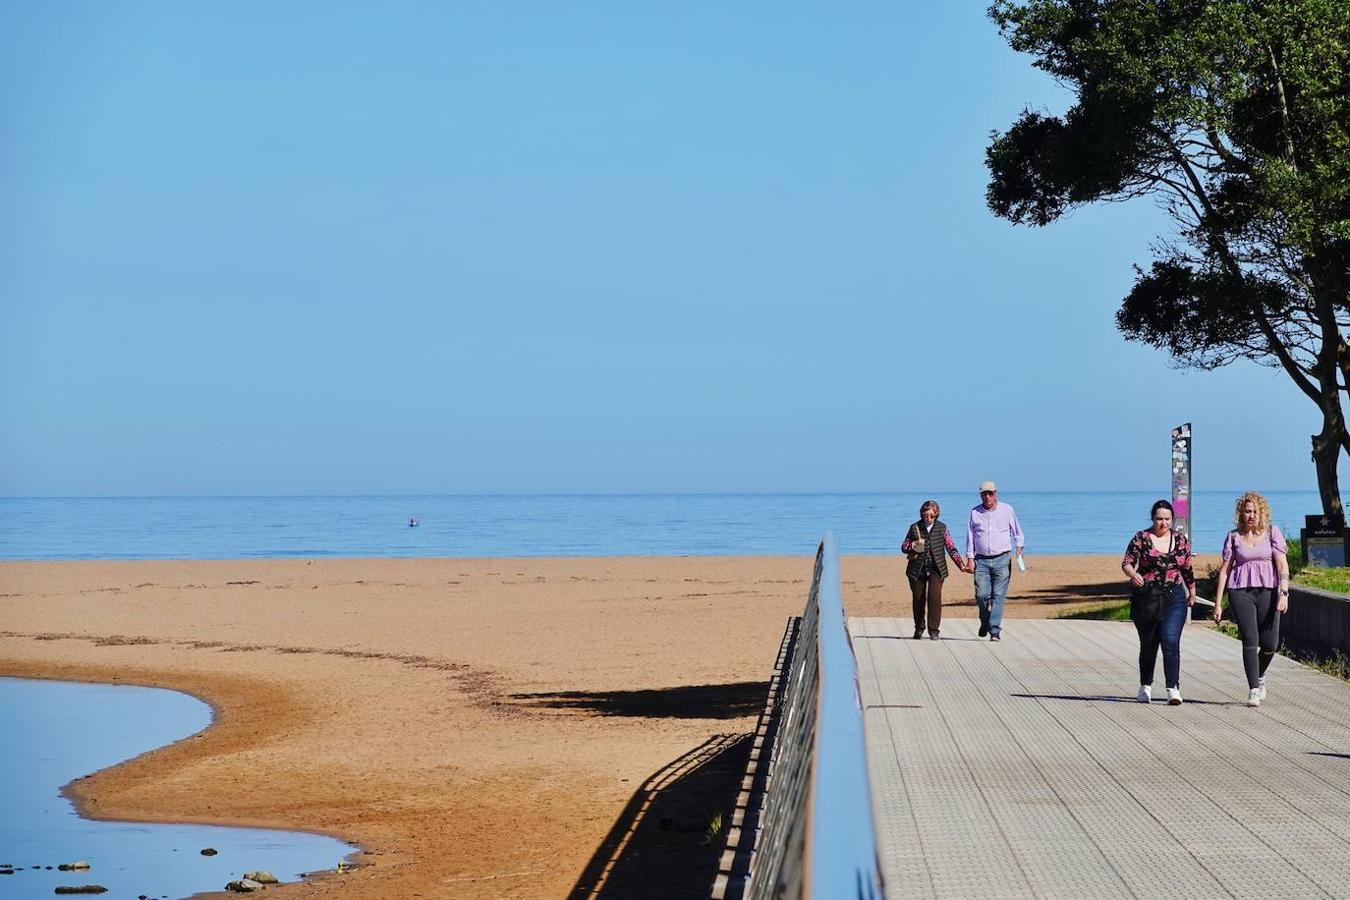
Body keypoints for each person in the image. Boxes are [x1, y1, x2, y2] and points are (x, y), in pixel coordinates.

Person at [1212, 492, 1289, 707]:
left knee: (1270, 644)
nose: (1251, 515)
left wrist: (1284, 593)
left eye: (1255, 511)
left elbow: (1282, 565)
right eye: (1247, 511)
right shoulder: (1234, 537)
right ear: (1241, 513)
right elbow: (1225, 571)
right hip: (1240, 592)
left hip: (1268, 591)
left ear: (1262, 513)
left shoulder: (1272, 533)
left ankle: (1260, 676)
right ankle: (1253, 689)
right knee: (1250, 640)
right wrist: (1218, 603)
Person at [1121, 499, 1197, 705]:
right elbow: (1127, 562)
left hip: (1174, 597)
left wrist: (1192, 591)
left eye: (1167, 519)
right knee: (1149, 643)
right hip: (1148, 598)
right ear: (1153, 519)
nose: (1163, 523)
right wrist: (1133, 574)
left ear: (1172, 519)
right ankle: (1145, 685)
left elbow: (1187, 568)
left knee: (1170, 640)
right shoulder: (1142, 538)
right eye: (1159, 519)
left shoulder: (1180, 540)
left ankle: (1173, 688)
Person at [963, 481, 1025, 641]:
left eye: (990, 493)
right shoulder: (974, 513)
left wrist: (1019, 546)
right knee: (981, 595)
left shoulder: (1007, 509)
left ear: (995, 493)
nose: (987, 496)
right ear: (980, 495)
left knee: (998, 595)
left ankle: (995, 630)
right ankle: (985, 622)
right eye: (984, 493)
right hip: (981, 561)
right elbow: (970, 537)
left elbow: (1017, 531)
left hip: (1002, 559)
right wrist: (970, 558)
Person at [900, 500, 968, 640]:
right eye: (926, 515)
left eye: (932, 516)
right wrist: (913, 544)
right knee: (918, 599)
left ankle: (934, 630)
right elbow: (904, 547)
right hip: (917, 569)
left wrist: (961, 565)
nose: (929, 518)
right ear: (922, 514)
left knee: (934, 598)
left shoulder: (942, 528)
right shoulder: (914, 527)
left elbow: (951, 548)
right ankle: (919, 628)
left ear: (936, 514)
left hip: (937, 569)